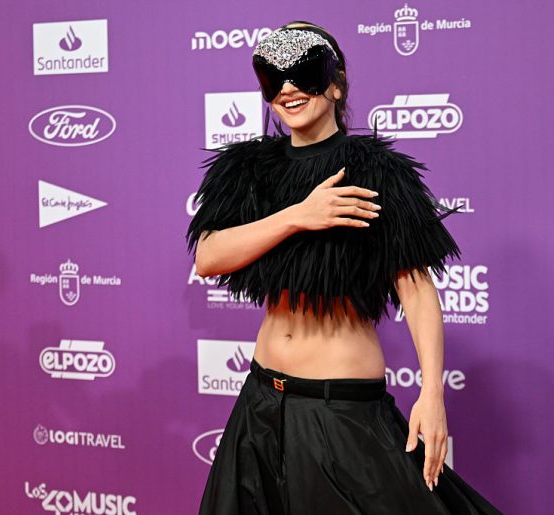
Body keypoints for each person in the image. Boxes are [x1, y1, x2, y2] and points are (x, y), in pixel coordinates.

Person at [187, 20, 502, 515]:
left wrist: (432, 392)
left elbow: (417, 289)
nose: (288, 88)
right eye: (273, 76)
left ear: (335, 84)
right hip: (261, 403)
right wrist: (298, 216)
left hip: (341, 410)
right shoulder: (248, 170)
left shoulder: (376, 171)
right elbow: (208, 257)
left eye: (304, 71)